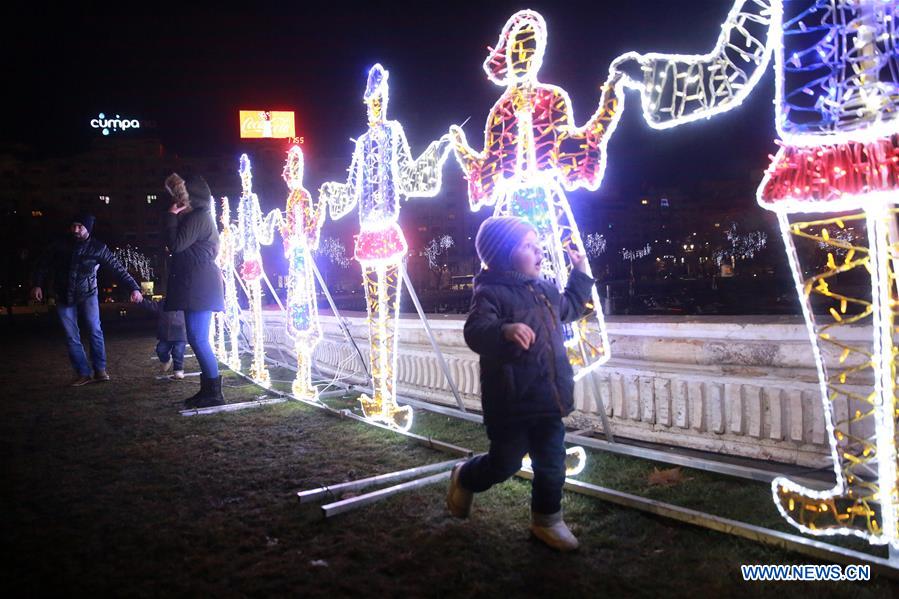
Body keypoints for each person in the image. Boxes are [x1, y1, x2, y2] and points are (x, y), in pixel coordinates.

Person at [446, 216, 594, 552]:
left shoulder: (544, 290)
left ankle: (548, 521)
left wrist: (581, 269)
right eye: (528, 245)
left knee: (552, 461)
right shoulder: (489, 292)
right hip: (511, 403)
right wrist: (504, 331)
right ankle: (466, 476)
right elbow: (476, 331)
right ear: (502, 254)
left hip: (548, 396)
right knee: (505, 463)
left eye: (538, 244)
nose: (539, 250)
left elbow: (570, 307)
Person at [31, 213, 142, 386]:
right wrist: (37, 284)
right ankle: (83, 373)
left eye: (80, 226)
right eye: (73, 226)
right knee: (71, 336)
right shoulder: (59, 245)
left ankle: (100, 370)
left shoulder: (98, 248)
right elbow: (43, 264)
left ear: (88, 228)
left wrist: (134, 287)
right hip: (62, 295)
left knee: (94, 330)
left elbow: (117, 269)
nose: (75, 229)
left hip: (88, 294)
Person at [163, 173, 225, 408]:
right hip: (198, 285)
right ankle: (208, 391)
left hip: (200, 286)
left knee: (199, 339)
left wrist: (171, 215)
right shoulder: (198, 216)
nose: (178, 201)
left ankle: (214, 393)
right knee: (197, 339)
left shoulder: (199, 216)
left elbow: (176, 245)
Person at [142, 297, 186, 379]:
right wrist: (141, 300)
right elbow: (152, 306)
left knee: (178, 352)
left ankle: (178, 370)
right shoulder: (163, 302)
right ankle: (166, 360)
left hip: (180, 334)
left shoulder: (184, 302)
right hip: (165, 334)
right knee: (160, 349)